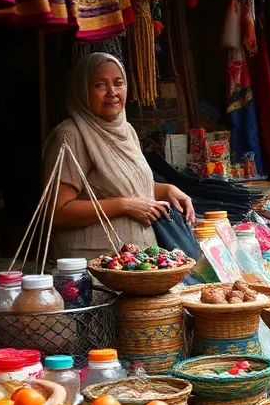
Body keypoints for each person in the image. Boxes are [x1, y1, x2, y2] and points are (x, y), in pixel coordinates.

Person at [44, 53, 195, 258]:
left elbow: (124, 186)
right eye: (100, 85)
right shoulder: (71, 136)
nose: (112, 92)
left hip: (137, 263)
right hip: (95, 269)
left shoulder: (127, 131)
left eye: (118, 83)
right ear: (82, 90)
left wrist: (166, 189)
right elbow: (57, 211)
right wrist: (124, 206)